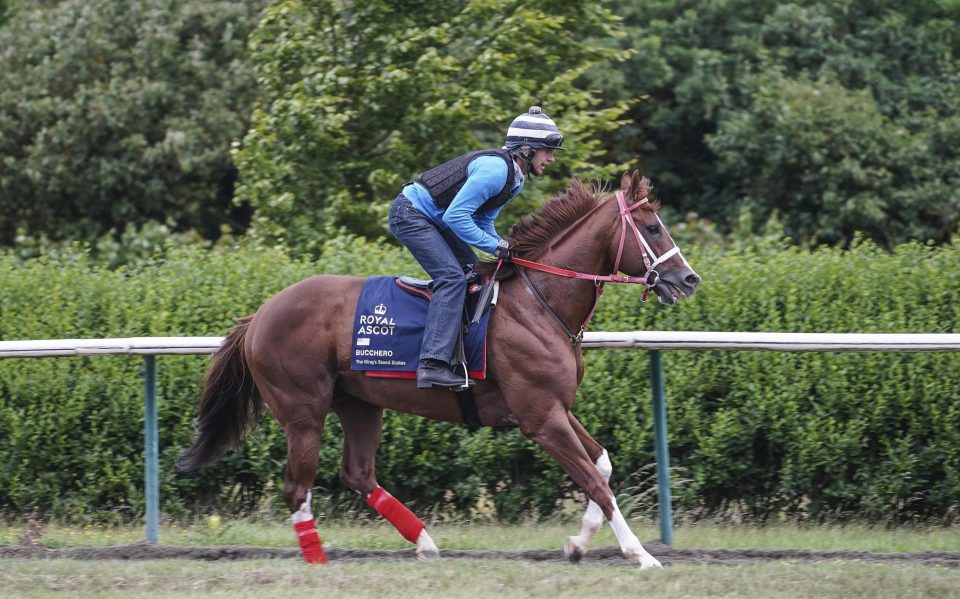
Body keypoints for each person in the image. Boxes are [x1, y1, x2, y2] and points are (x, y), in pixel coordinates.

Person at [388, 106, 564, 388]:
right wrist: (497, 247)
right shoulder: (496, 171)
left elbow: (482, 221)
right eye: (547, 151)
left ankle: (460, 353)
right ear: (527, 149)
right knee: (452, 278)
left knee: (473, 275)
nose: (552, 158)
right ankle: (432, 363)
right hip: (410, 215)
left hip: (435, 221)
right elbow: (455, 217)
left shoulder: (515, 179)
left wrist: (502, 246)